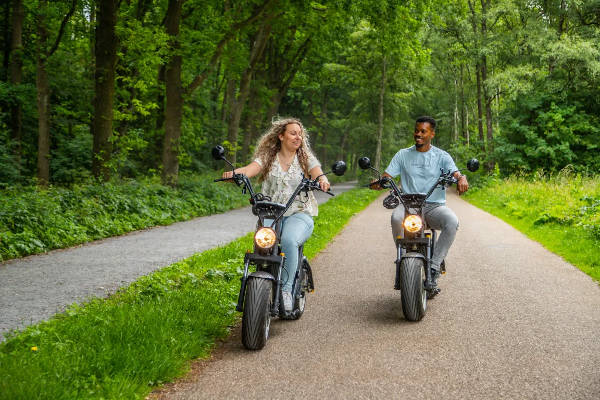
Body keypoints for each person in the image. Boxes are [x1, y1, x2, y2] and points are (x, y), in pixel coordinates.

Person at [222, 117, 330, 312]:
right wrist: (235, 174)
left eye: (300, 134)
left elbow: (318, 173)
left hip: (299, 214)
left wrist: (322, 180)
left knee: (288, 240)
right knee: (262, 247)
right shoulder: (268, 157)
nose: (298, 137)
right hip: (271, 214)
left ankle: (287, 291)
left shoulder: (306, 159)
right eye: (293, 133)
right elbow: (249, 170)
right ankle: (258, 289)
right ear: (281, 136)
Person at [371, 116, 468, 287]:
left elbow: (456, 173)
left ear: (432, 134)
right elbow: (387, 176)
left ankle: (434, 265)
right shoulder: (403, 154)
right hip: (408, 204)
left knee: (452, 221)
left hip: (433, 206)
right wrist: (379, 182)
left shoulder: (442, 156)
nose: (418, 134)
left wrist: (461, 178)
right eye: (416, 130)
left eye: (423, 131)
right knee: (395, 218)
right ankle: (402, 255)